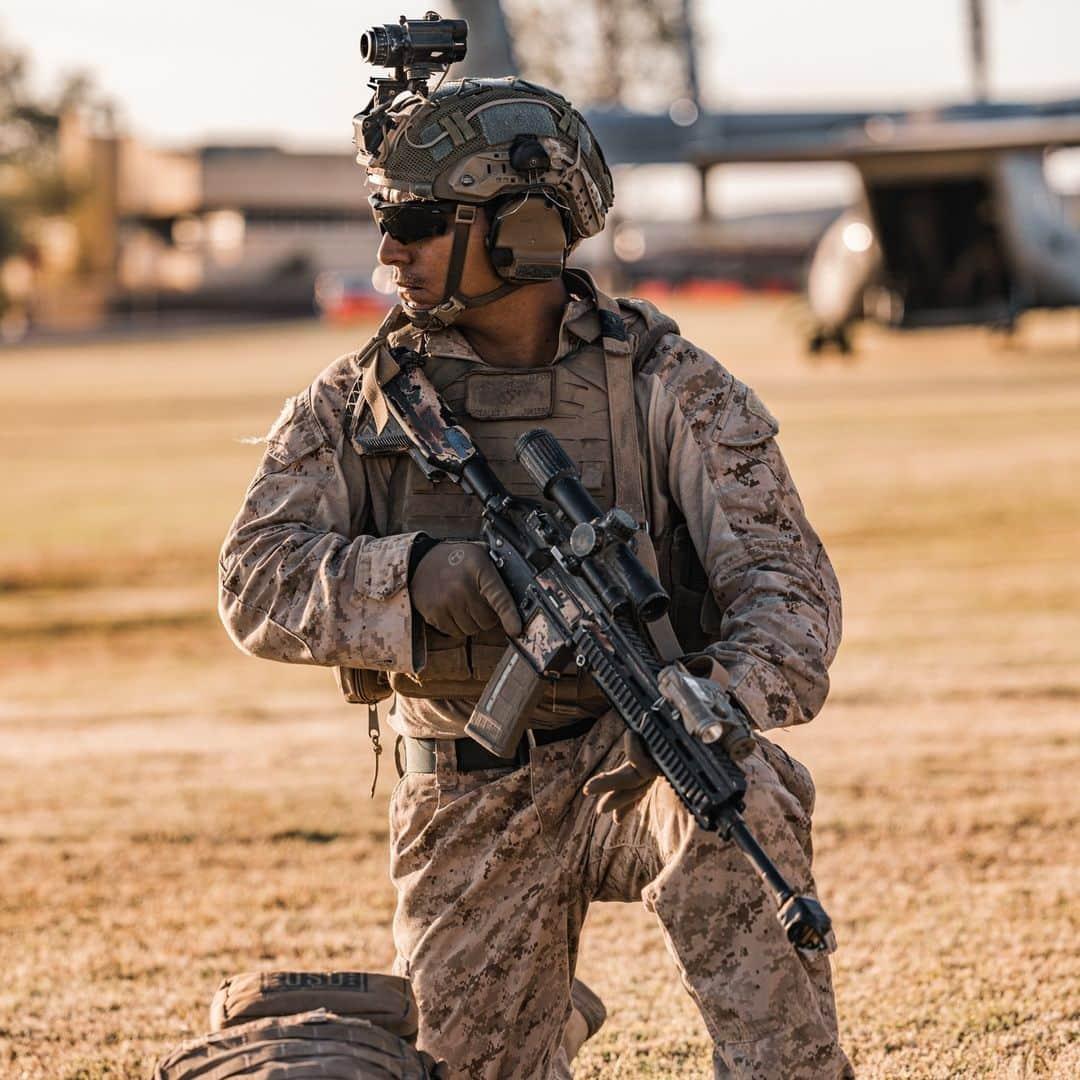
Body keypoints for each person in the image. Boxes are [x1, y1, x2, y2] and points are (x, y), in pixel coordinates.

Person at [219, 72, 852, 1079]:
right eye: (386, 218)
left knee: (740, 804)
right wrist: (418, 578)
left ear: (525, 228)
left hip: (637, 758)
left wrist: (716, 693)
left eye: (420, 221)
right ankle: (531, 1016)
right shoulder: (359, 406)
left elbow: (792, 595)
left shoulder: (662, 383)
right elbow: (253, 583)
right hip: (465, 792)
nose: (390, 251)